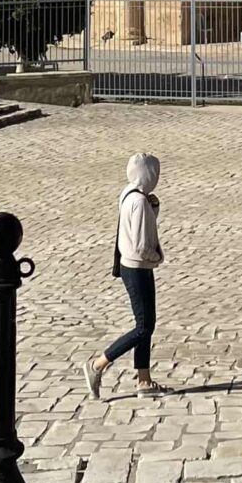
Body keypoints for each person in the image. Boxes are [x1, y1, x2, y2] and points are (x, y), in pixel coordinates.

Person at [89, 152, 165, 398]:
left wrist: (154, 209)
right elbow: (142, 244)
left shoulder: (129, 193)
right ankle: (98, 365)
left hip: (131, 265)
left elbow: (138, 226)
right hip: (137, 266)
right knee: (143, 327)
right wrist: (157, 257)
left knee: (146, 324)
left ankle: (144, 380)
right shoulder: (139, 202)